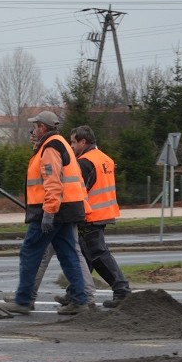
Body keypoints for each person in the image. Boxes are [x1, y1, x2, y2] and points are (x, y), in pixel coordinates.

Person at [2, 111, 91, 316]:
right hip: (66, 209)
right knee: (68, 254)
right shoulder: (58, 143)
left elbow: (52, 182)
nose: (32, 130)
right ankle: (80, 300)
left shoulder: (50, 147)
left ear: (42, 127)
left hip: (54, 210)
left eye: (35, 126)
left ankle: (23, 300)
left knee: (30, 251)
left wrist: (49, 213)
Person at [69, 125, 132, 308]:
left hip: (90, 215)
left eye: (73, 142)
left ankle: (122, 290)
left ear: (83, 141)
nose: (71, 146)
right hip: (104, 212)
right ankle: (74, 292)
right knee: (87, 255)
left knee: (97, 254)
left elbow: (79, 192)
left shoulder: (84, 162)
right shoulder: (105, 159)